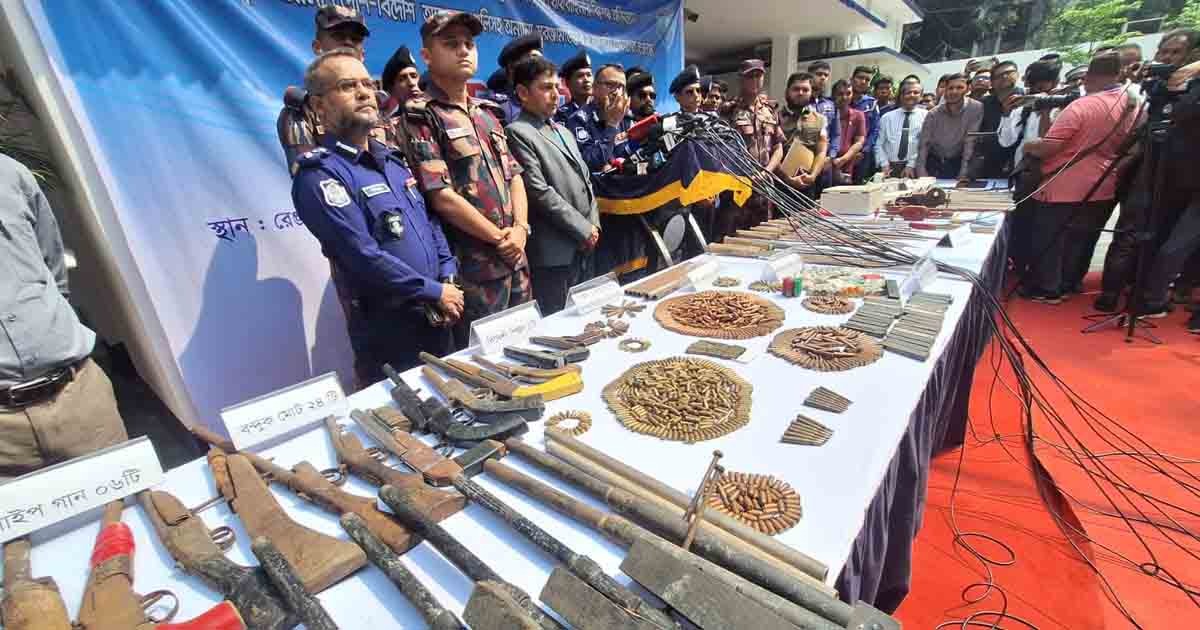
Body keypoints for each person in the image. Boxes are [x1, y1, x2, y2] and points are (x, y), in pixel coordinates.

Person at [292, 50, 462, 378]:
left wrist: (448, 277)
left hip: (439, 315)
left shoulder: (392, 161)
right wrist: (436, 291)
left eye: (367, 84)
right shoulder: (320, 175)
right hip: (391, 332)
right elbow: (362, 255)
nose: (363, 93)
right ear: (318, 106)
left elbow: (429, 223)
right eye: (347, 86)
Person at [403, 12, 531, 346]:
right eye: (451, 44)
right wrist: (500, 239)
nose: (463, 50)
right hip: (475, 271)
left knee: (529, 348)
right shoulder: (421, 115)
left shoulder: (487, 113)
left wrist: (520, 230)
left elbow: (515, 176)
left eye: (469, 44)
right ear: (427, 56)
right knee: (484, 363)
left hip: (516, 260)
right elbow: (440, 195)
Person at [0, 155, 127, 477]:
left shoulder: (10, 173)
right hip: (4, 440)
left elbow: (53, 264)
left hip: (79, 400)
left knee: (128, 503)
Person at [1022, 53, 1139, 304]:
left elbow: (1049, 147)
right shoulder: (1131, 103)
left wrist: (1029, 145)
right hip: (1102, 183)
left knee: (1050, 239)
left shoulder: (1082, 106)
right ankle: (1070, 283)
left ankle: (1048, 288)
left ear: (1087, 77)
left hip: (1063, 185)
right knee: (1081, 239)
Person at [505, 56, 601, 315]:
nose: (555, 95)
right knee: (559, 323)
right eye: (546, 88)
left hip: (584, 245)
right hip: (555, 253)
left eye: (557, 87)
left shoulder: (564, 131)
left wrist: (593, 225)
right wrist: (583, 229)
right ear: (523, 93)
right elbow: (539, 191)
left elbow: (586, 181)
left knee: (588, 318)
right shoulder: (518, 132)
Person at [277, 5, 370, 175]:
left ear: (362, 54)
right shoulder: (301, 112)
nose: (348, 43)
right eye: (338, 36)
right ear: (317, 47)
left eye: (356, 39)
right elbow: (310, 179)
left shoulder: (377, 106)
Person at [999, 59, 1062, 281]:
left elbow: (1050, 142)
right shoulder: (1023, 108)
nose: (1039, 92)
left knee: (1044, 229)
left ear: (1054, 83)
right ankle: (1018, 267)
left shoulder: (1062, 106)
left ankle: (1038, 274)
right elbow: (1006, 141)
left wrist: (1046, 111)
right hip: (1024, 176)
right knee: (1021, 223)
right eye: (1034, 87)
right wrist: (1007, 114)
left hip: (1051, 176)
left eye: (1043, 86)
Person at [723, 59, 785, 225]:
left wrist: (766, 172)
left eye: (759, 76)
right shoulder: (729, 111)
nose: (755, 80)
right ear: (741, 79)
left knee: (764, 232)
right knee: (735, 233)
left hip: (764, 185)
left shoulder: (770, 110)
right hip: (738, 185)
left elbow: (778, 147)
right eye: (750, 76)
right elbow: (722, 151)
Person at [564, 63, 633, 172]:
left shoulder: (627, 119)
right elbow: (589, 163)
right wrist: (612, 125)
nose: (617, 92)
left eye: (621, 87)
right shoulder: (578, 120)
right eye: (610, 85)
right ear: (594, 87)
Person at [916, 72, 982, 180]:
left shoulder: (976, 108)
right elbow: (924, 144)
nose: (954, 91)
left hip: (959, 161)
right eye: (950, 88)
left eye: (959, 87)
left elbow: (970, 141)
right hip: (934, 162)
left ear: (967, 89)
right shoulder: (933, 113)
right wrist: (921, 171)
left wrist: (964, 172)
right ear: (945, 90)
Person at [777, 72, 828, 194]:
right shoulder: (774, 118)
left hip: (807, 184)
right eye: (796, 89)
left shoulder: (819, 119)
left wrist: (813, 175)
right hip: (778, 185)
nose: (800, 93)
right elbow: (769, 152)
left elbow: (821, 151)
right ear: (787, 92)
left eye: (805, 90)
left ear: (811, 93)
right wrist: (788, 179)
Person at [974, 60, 1023, 179]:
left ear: (1017, 75)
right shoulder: (983, 104)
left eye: (1009, 72)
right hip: (988, 166)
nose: (1005, 77)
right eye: (999, 76)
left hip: (1018, 165)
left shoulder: (1028, 99)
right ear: (992, 82)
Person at [875, 77, 927, 179]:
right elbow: (879, 144)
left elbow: (924, 145)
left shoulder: (927, 117)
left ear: (921, 96)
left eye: (916, 93)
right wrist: (884, 164)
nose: (912, 95)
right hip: (889, 167)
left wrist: (911, 165)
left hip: (915, 167)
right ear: (901, 96)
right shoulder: (887, 117)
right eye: (908, 92)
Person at [496, 33, 544, 124]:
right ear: (511, 68)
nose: (540, 66)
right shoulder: (498, 106)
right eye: (533, 60)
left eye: (541, 61)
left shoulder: (546, 100)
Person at [829, 79, 865, 185]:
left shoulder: (858, 115)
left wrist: (843, 159)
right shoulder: (826, 113)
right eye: (840, 94)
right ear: (833, 95)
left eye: (848, 93)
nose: (844, 97)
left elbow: (859, 141)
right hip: (825, 164)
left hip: (846, 166)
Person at [849, 65, 880, 183]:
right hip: (841, 153)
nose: (863, 82)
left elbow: (875, 130)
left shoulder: (871, 104)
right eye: (860, 78)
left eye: (867, 80)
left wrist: (864, 150)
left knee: (859, 187)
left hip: (862, 156)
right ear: (852, 79)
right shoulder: (842, 99)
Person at [380, 45, 422, 122]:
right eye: (402, 79)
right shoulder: (393, 127)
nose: (411, 83)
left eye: (414, 76)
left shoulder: (441, 113)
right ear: (392, 90)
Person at [555, 49, 592, 124]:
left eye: (589, 75)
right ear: (568, 83)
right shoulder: (561, 116)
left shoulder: (603, 111)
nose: (586, 80)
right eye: (580, 76)